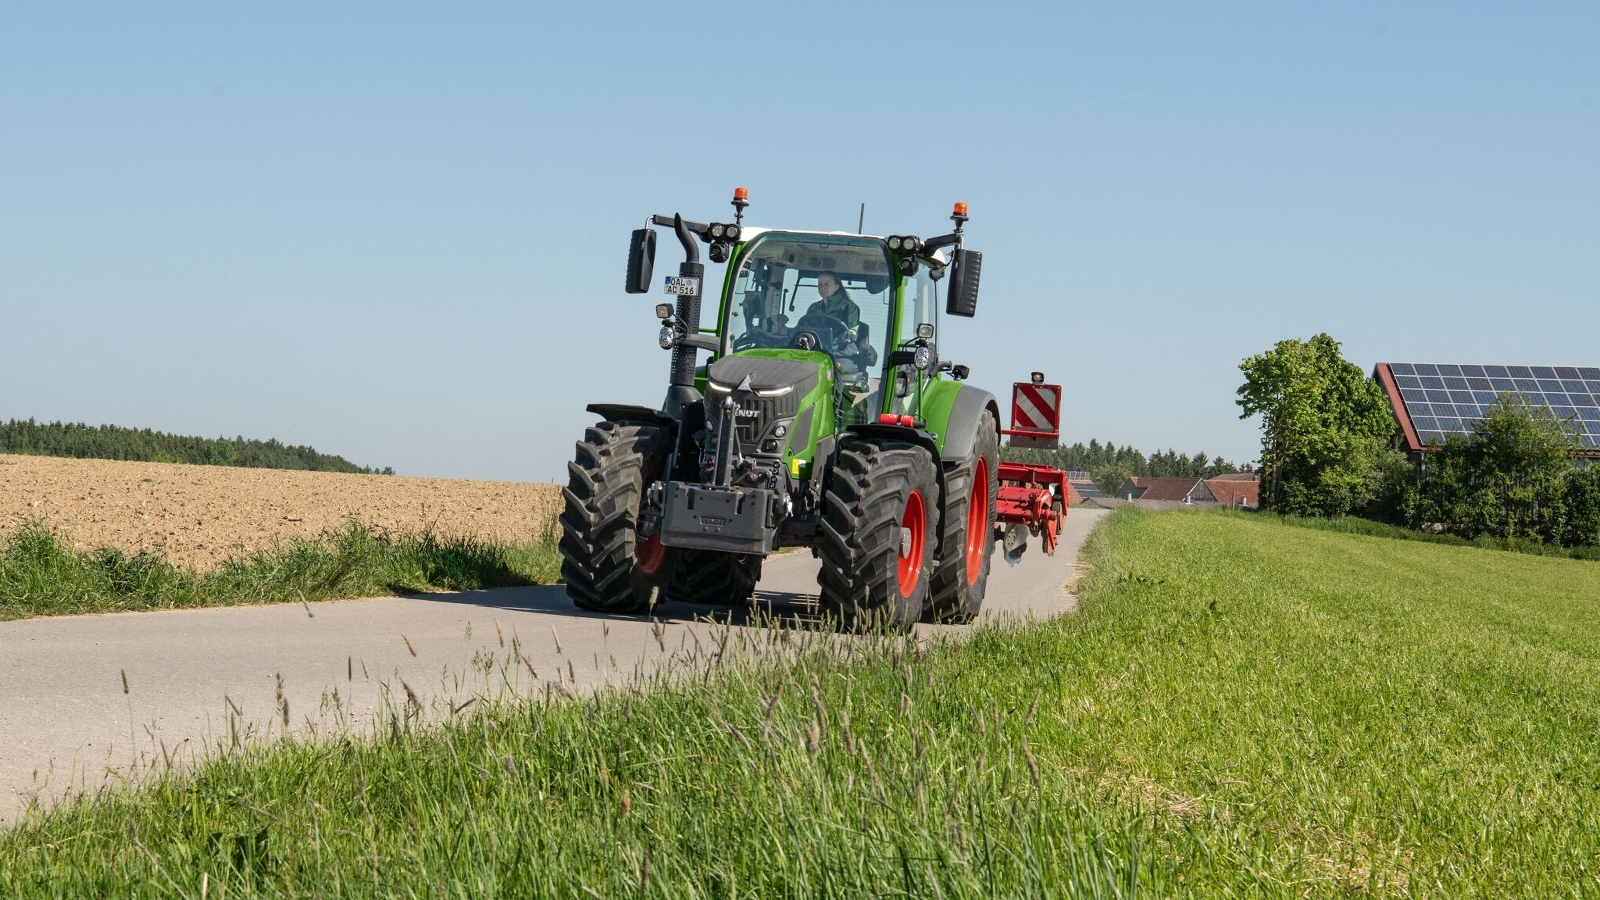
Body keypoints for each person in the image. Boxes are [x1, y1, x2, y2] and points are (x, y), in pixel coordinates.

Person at [805, 272, 861, 341]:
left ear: (836, 287)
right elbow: (804, 326)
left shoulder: (849, 307)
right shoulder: (813, 307)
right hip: (812, 344)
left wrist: (846, 337)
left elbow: (852, 331)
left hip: (840, 346)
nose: (822, 287)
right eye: (820, 284)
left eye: (826, 284)